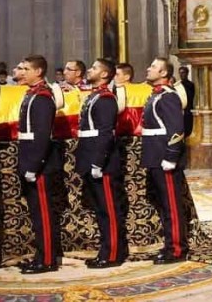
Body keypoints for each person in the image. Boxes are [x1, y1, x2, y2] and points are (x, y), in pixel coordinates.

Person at [75, 58, 128, 268]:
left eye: (94, 67)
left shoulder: (106, 99)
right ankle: (106, 250)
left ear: (105, 74)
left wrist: (98, 162)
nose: (90, 70)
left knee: (109, 210)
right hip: (91, 159)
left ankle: (113, 254)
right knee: (100, 210)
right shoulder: (95, 96)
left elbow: (106, 134)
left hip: (103, 164)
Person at [17, 55, 62, 274]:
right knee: (36, 213)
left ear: (38, 72)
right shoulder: (32, 94)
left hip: (40, 166)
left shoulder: (42, 97)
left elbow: (42, 136)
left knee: (43, 213)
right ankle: (41, 255)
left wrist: (34, 166)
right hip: (30, 160)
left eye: (26, 69)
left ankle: (47, 260)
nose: (21, 72)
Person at [141, 57, 188, 264]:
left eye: (153, 66)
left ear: (163, 73)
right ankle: (170, 244)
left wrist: (171, 156)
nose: (148, 69)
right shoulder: (156, 95)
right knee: (163, 204)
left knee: (171, 206)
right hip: (155, 156)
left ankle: (177, 249)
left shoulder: (168, 96)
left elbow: (177, 129)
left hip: (164, 157)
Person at [177, 66, 195, 137]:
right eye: (180, 73)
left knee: (188, 128)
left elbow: (192, 96)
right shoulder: (178, 85)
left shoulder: (191, 85)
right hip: (180, 110)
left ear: (187, 73)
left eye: (183, 73)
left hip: (188, 110)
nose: (181, 75)